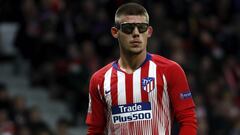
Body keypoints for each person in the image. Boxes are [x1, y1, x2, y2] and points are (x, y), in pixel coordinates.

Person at [86, 2, 197, 135]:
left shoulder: (170, 70)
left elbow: (188, 120)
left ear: (149, 32)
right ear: (115, 32)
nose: (136, 33)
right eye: (128, 28)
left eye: (142, 27)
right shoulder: (99, 80)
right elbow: (95, 130)